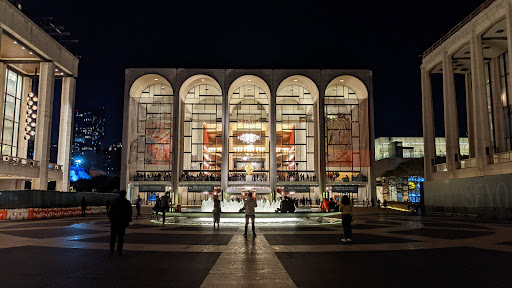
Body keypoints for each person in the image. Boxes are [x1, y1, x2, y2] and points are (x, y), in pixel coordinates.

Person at [108, 190, 132, 255]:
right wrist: (128, 220)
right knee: (121, 237)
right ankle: (119, 250)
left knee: (113, 236)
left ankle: (111, 249)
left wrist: (111, 219)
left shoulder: (114, 202)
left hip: (115, 221)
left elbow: (110, 211)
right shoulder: (127, 202)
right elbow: (129, 213)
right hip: (122, 221)